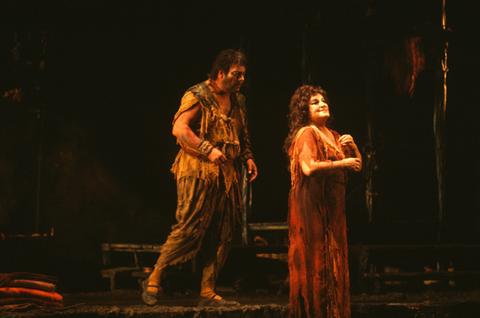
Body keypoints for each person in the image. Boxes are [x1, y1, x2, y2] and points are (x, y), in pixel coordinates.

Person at [142, 49, 257, 307]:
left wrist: (247, 157)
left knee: (224, 231)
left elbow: (242, 133)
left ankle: (207, 289)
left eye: (243, 75)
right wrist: (207, 149)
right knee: (191, 227)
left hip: (227, 173)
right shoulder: (198, 95)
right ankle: (155, 277)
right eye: (236, 74)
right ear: (220, 72)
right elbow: (179, 128)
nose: (240, 80)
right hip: (198, 170)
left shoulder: (238, 100)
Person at [284, 85, 361, 318]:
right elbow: (308, 168)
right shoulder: (307, 132)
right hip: (312, 206)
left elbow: (356, 166)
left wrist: (354, 149)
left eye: (323, 100)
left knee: (334, 261)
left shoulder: (336, 136)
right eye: (315, 102)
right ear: (305, 111)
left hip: (334, 209)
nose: (322, 104)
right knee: (317, 262)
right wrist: (343, 163)